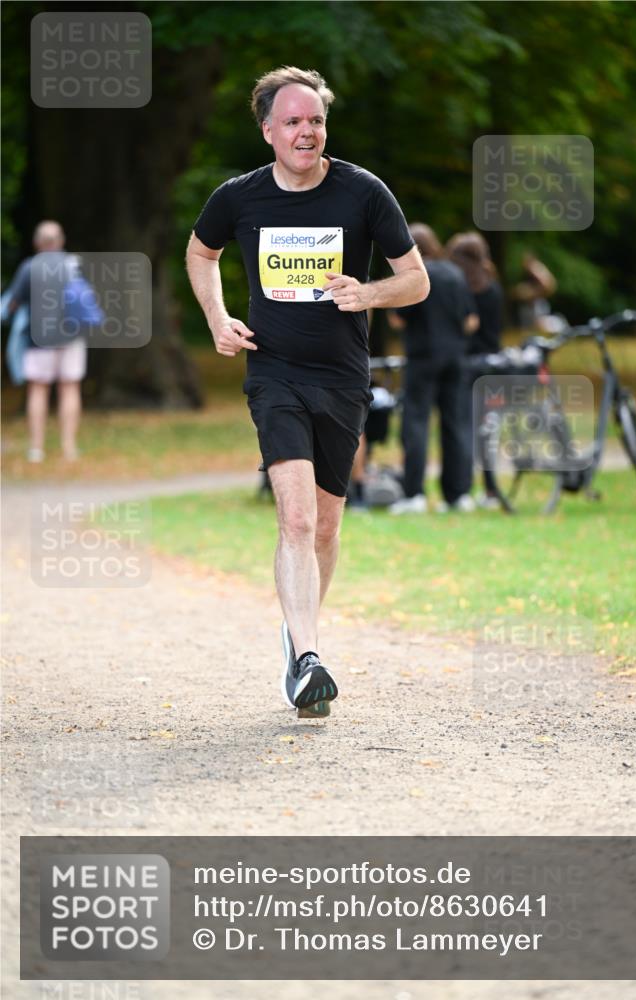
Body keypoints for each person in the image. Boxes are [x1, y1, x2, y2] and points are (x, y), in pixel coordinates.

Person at [185, 66, 428, 718]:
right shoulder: (238, 198)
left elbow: (416, 280)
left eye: (314, 120)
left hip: (343, 376)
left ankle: (299, 640)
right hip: (273, 372)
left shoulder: (362, 193)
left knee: (324, 525)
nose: (306, 131)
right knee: (292, 517)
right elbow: (199, 252)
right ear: (267, 130)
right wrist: (216, 319)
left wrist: (367, 292)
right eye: (292, 121)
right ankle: (308, 656)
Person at [387, 223, 478, 515]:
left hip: (423, 356)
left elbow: (399, 320)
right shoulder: (454, 273)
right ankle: (458, 494)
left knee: (416, 423)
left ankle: (414, 493)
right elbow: (470, 321)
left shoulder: (414, 276)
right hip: (455, 357)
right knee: (456, 424)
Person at [2, 221, 86, 462]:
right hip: (72, 336)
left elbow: (12, 304)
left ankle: (36, 449)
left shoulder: (29, 267)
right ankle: (69, 447)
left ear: (37, 242)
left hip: (39, 338)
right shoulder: (74, 265)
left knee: (38, 390)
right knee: (70, 388)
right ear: (60, 241)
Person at [445, 231, 504, 508]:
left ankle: (464, 488)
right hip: (493, 365)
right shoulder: (493, 286)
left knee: (465, 427)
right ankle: (492, 490)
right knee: (488, 430)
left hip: (468, 366)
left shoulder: (461, 288)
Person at [511, 252, 557, 331]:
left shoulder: (534, 268)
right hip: (536, 304)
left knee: (534, 329)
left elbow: (547, 285)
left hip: (534, 305)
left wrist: (531, 293)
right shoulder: (538, 267)